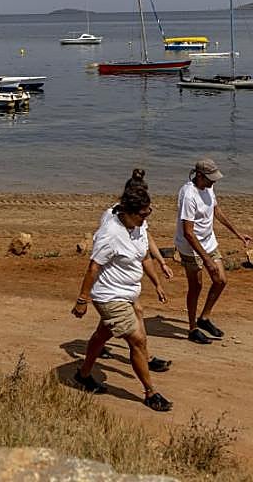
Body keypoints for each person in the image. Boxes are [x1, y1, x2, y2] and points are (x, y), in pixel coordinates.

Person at [71, 169, 173, 411]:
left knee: (102, 335)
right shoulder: (110, 233)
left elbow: (144, 255)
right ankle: (150, 392)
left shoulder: (137, 226)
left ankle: (83, 375)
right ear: (126, 212)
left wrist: (157, 281)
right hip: (110, 296)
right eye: (142, 214)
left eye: (148, 212)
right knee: (137, 340)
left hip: (128, 293)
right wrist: (82, 299)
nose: (145, 218)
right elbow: (93, 267)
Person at [174, 157, 252, 344]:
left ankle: (204, 318)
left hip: (209, 242)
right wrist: (206, 259)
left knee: (220, 280)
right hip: (190, 247)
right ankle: (192, 329)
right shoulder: (188, 195)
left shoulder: (208, 187)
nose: (214, 181)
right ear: (199, 176)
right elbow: (188, 233)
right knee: (196, 287)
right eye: (210, 178)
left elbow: (216, 210)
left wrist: (237, 232)